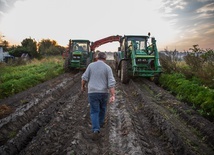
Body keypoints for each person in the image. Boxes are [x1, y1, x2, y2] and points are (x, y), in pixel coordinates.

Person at [81, 51, 116, 141]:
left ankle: (96, 130)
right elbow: (111, 83)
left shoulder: (91, 66)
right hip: (104, 93)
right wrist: (113, 95)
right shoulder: (108, 68)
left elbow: (84, 78)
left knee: (94, 111)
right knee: (103, 109)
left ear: (97, 58)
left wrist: (83, 87)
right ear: (105, 59)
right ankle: (99, 124)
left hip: (92, 92)